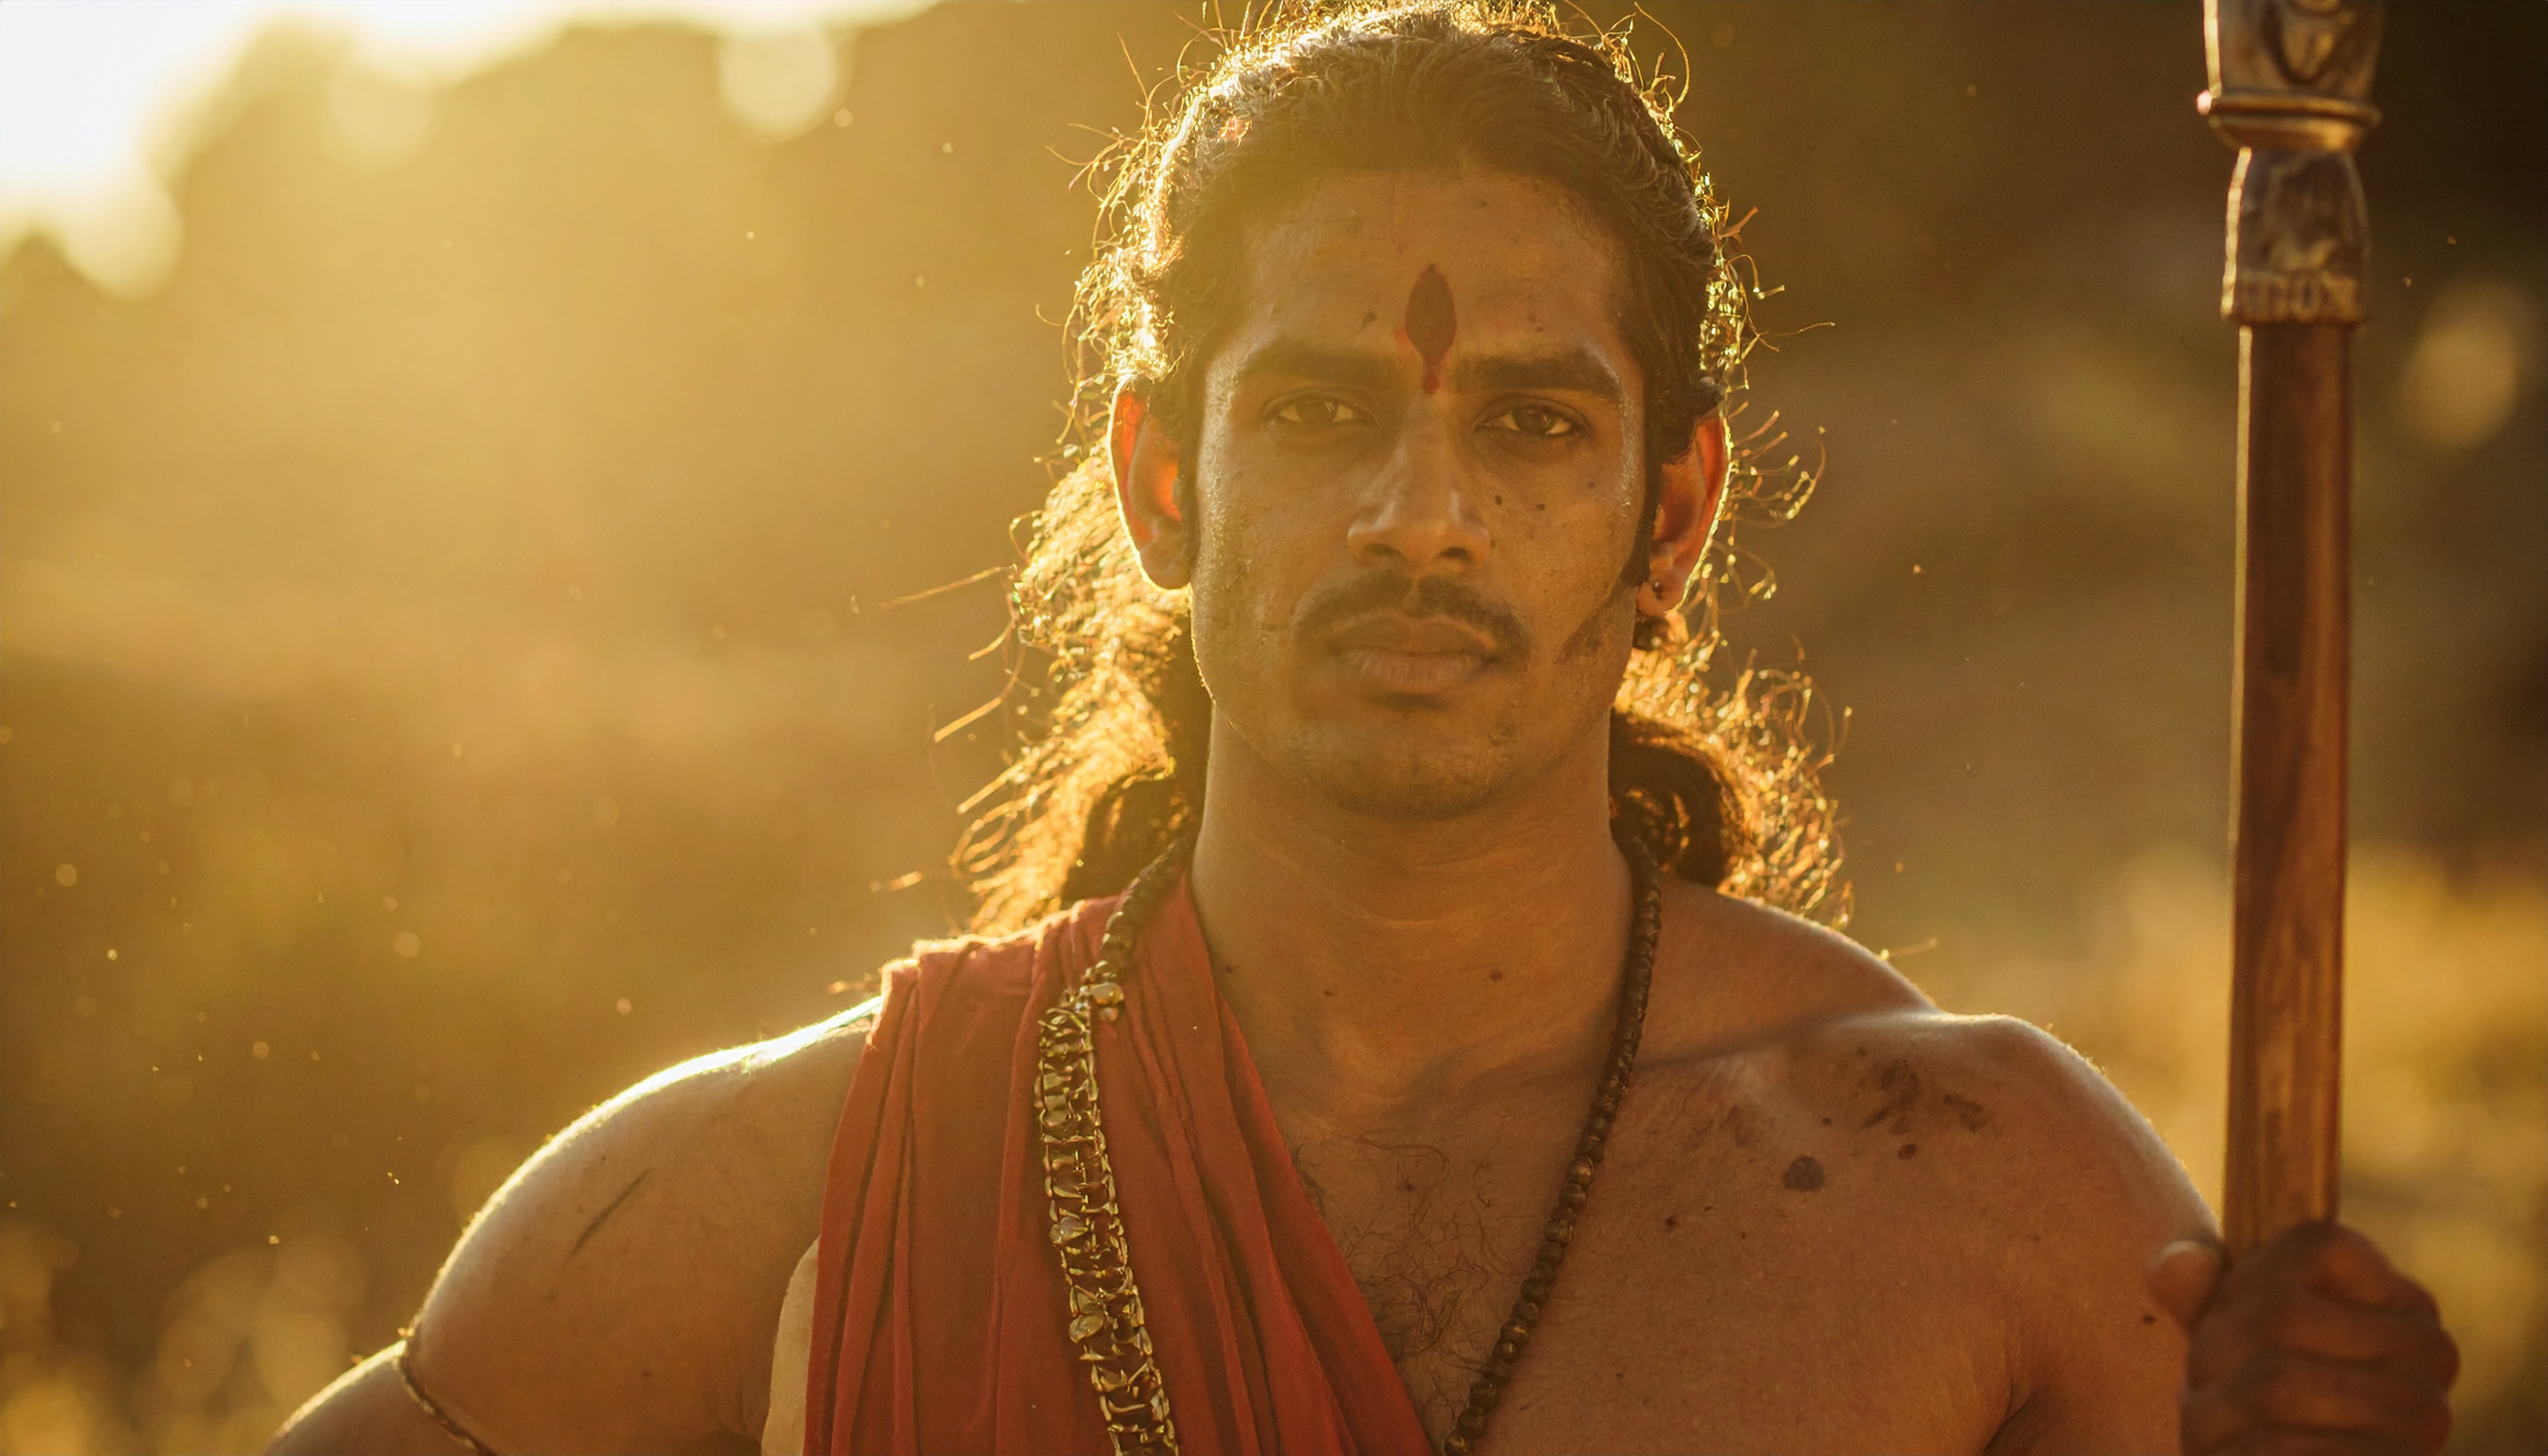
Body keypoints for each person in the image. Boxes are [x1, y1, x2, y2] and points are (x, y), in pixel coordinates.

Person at [269, 5, 2459, 1453]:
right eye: (1317, 413)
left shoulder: (1989, 1206)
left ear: (1670, 506)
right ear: (1157, 481)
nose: (1422, 514)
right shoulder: (763, 1202)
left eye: (1531, 421)